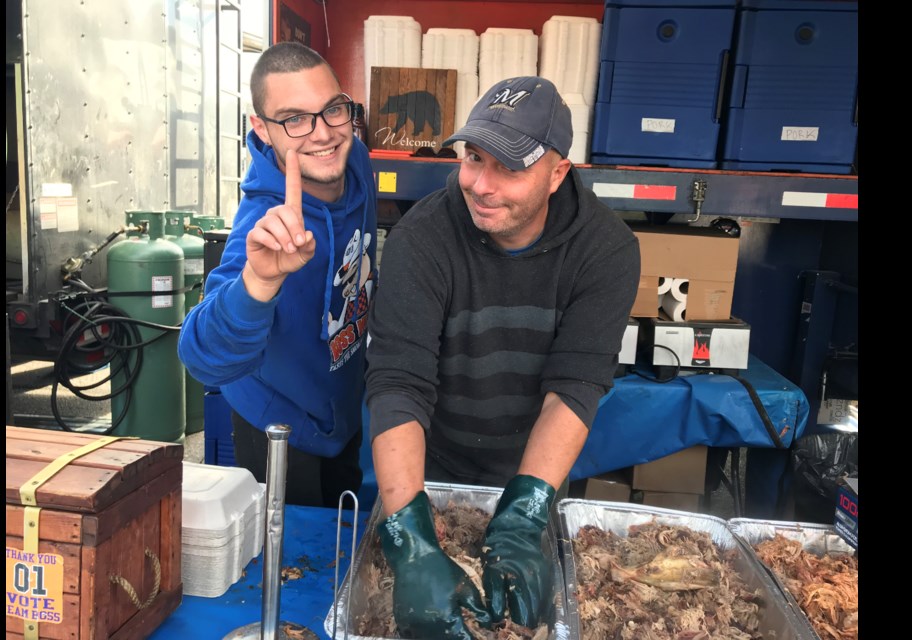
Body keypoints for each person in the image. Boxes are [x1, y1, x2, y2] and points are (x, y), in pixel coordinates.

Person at [364, 76, 641, 638]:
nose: (480, 185)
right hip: (427, 471)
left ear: (558, 172)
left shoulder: (606, 250)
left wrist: (522, 517)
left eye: (508, 168)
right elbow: (398, 380)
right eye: (472, 158)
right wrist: (412, 540)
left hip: (532, 475)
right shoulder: (423, 237)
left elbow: (576, 385)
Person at [178, 42, 377, 508]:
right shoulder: (264, 222)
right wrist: (260, 283)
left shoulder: (356, 160)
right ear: (262, 129)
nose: (322, 134)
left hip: (342, 405)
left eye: (332, 110)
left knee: (345, 538)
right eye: (294, 119)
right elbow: (201, 357)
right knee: (295, 562)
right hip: (281, 430)